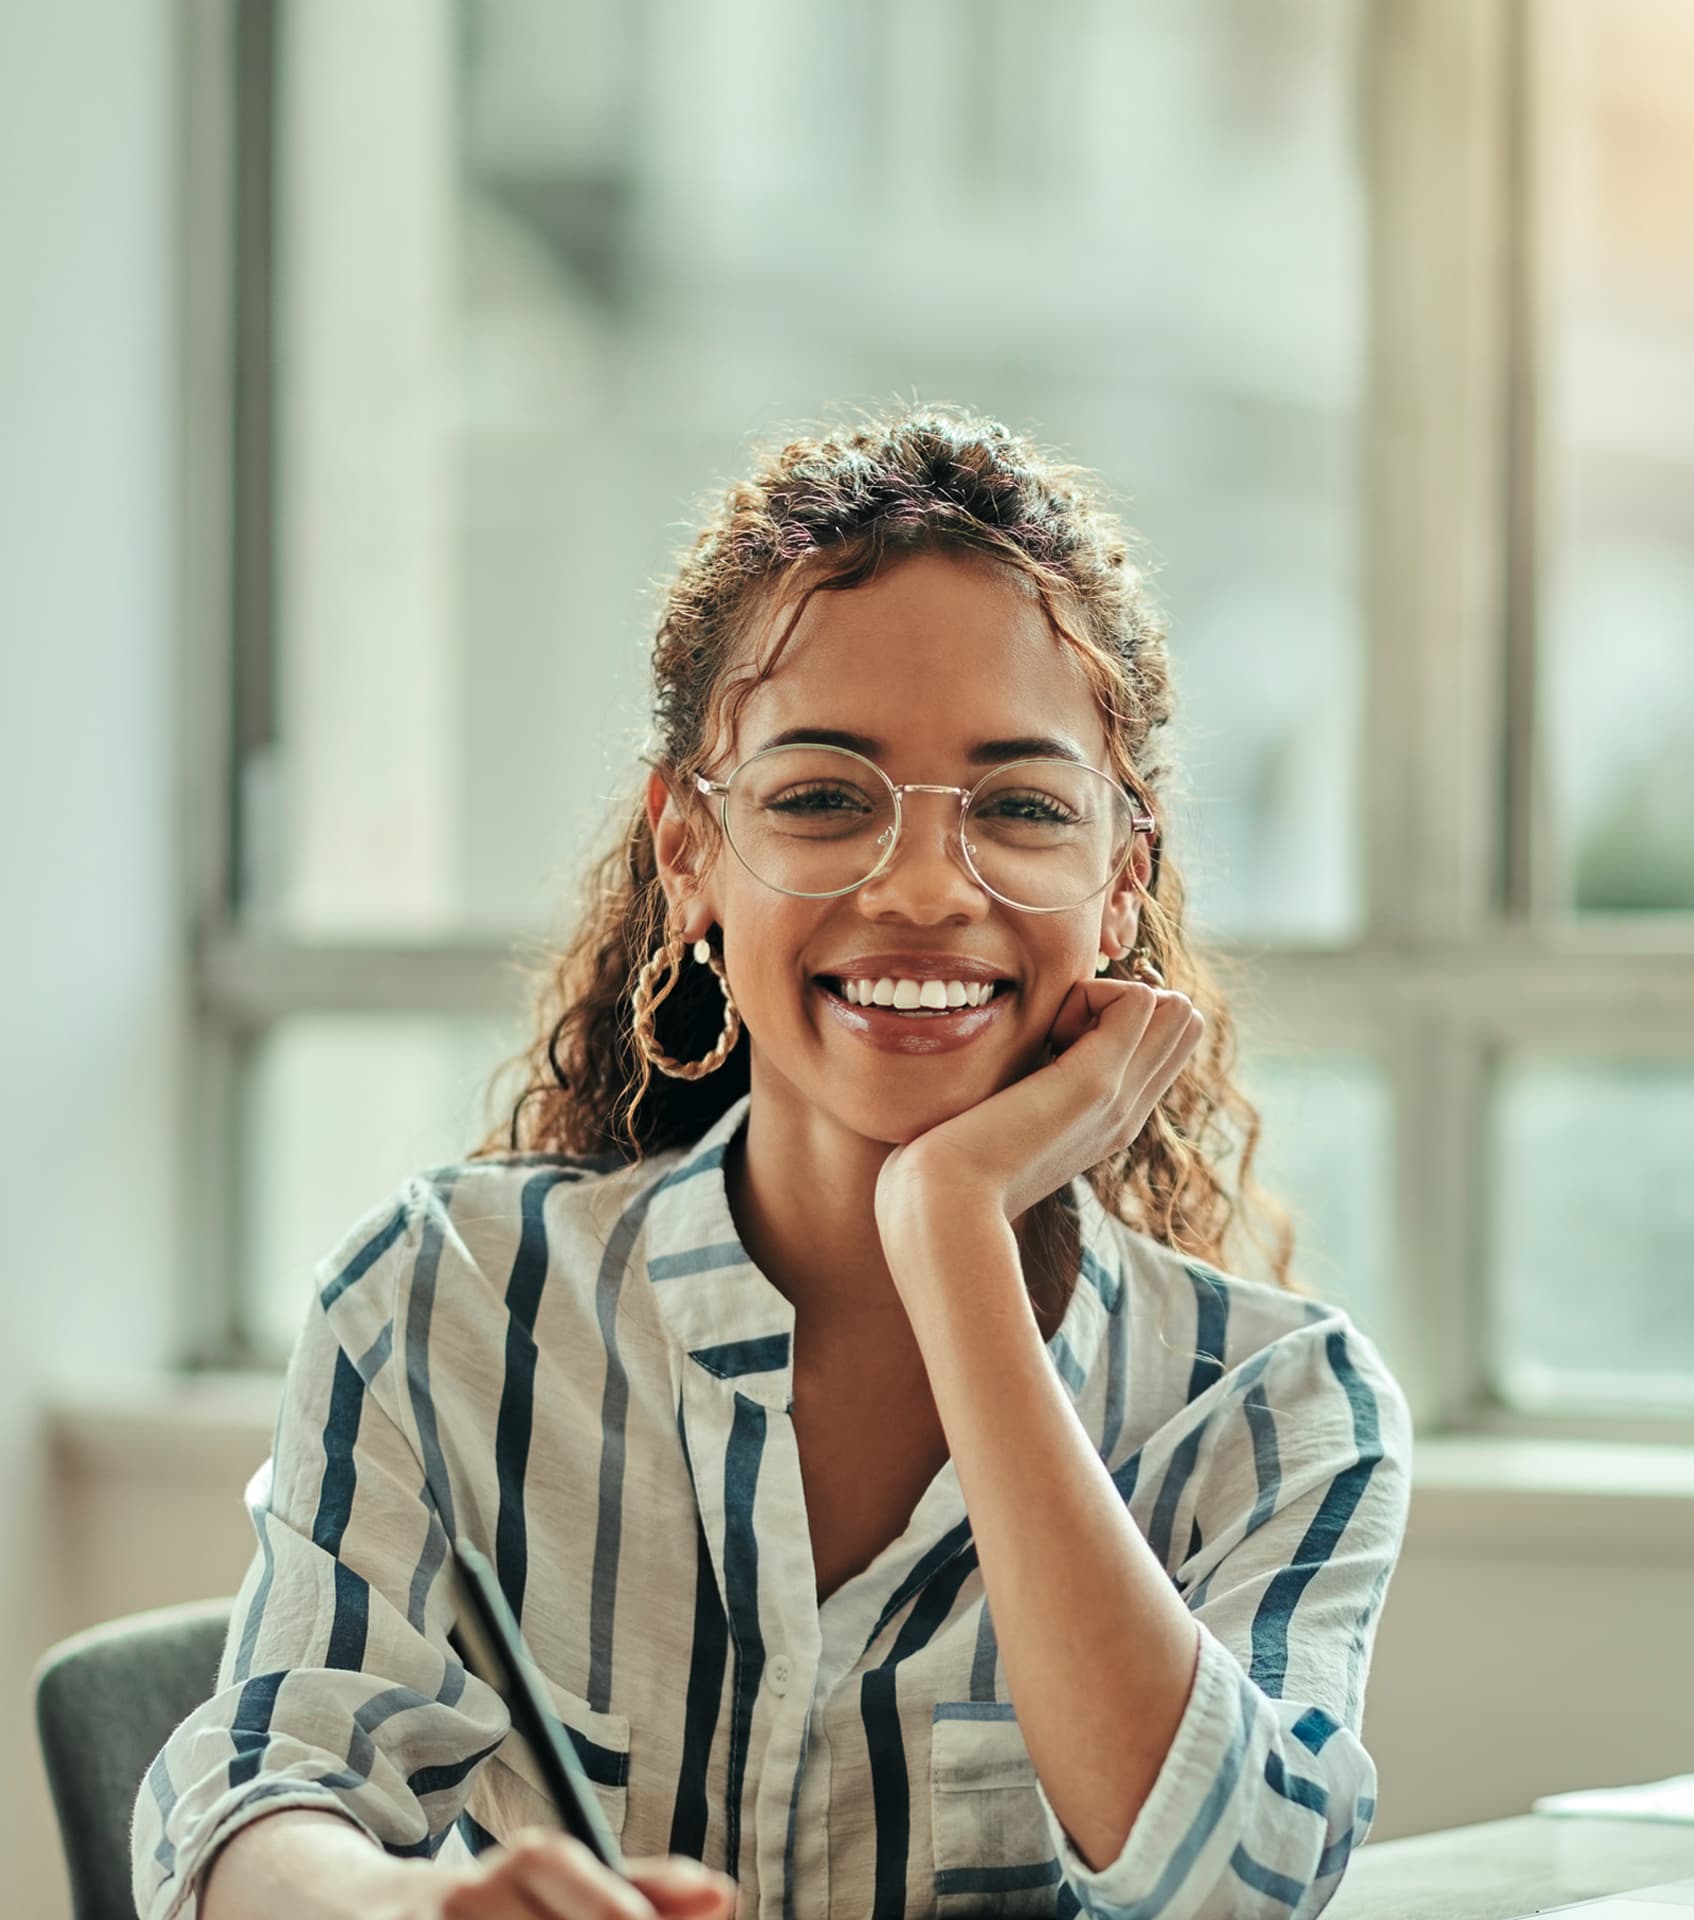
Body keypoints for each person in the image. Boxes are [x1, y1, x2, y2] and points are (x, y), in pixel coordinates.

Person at [134, 405, 1411, 1920]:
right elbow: (264, 1797)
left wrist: (954, 1235)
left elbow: (1237, 1885)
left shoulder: (1275, 1409)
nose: (929, 885)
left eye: (1020, 807)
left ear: (1120, 881)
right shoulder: (449, 1300)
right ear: (690, 855)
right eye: (820, 798)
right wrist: (416, 1911)